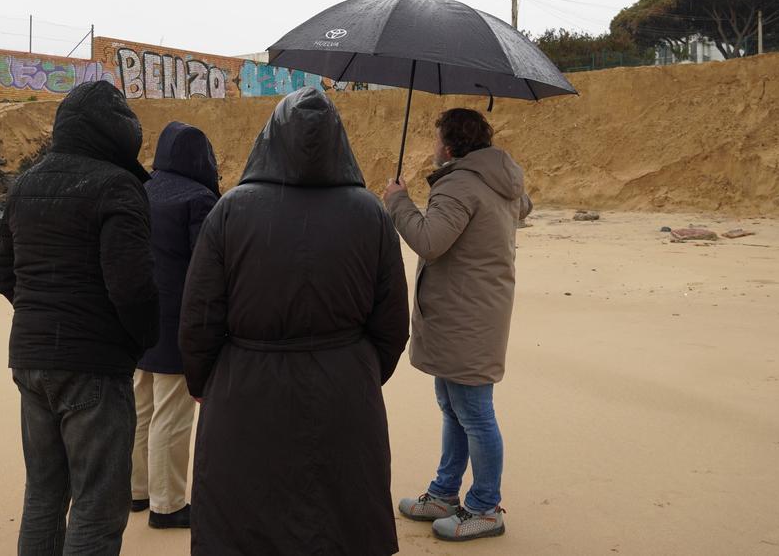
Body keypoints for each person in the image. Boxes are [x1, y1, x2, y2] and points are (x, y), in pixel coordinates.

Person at [179, 88, 410, 556]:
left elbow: (200, 316)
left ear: (270, 137)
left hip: (245, 391)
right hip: (344, 391)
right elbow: (392, 323)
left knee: (246, 525)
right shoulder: (370, 212)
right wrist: (359, 370)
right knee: (340, 524)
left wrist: (204, 380)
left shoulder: (231, 210)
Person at [0, 80, 159, 556]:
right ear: (117, 133)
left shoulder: (27, 182)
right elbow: (131, 286)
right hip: (93, 365)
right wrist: (141, 341)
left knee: (43, 494)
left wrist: (39, 314)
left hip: (29, 360)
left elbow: (3, 274)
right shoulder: (117, 185)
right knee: (98, 505)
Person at [383, 107, 531, 543]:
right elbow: (523, 205)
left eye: (436, 140)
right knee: (454, 405)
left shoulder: (461, 184)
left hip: (467, 315)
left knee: (474, 412)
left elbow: (429, 241)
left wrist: (398, 202)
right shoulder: (495, 179)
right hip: (469, 310)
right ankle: (445, 493)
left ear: (449, 146)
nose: (433, 148)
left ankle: (485, 507)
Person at [131, 121, 220, 530]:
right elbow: (208, 268)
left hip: (139, 317)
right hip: (179, 321)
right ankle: (166, 506)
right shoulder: (199, 198)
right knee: (173, 414)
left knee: (141, 408)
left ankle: (136, 491)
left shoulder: (142, 190)